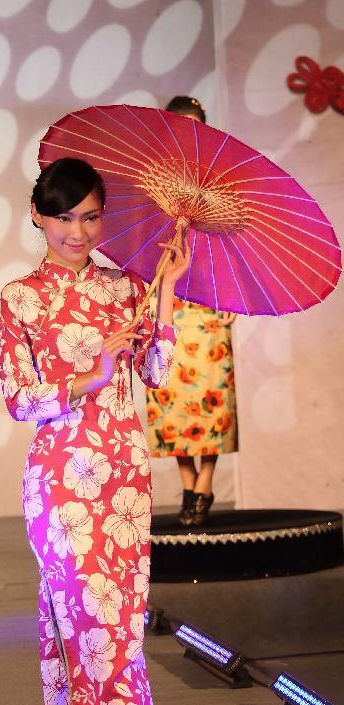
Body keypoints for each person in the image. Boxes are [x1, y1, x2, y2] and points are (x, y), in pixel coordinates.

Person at [0, 157, 190, 705]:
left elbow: (158, 373)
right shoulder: (20, 298)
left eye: (89, 217)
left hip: (125, 479)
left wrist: (167, 294)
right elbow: (20, 400)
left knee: (115, 625)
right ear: (37, 217)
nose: (77, 232)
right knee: (90, 618)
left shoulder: (128, 289)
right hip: (60, 483)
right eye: (63, 218)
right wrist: (92, 372)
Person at [146, 96, 238, 526]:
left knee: (211, 394)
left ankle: (205, 483)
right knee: (171, 396)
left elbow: (234, 245)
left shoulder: (220, 182)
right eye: (180, 127)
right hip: (170, 296)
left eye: (195, 127)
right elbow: (143, 244)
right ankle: (187, 482)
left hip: (210, 297)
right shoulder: (154, 183)